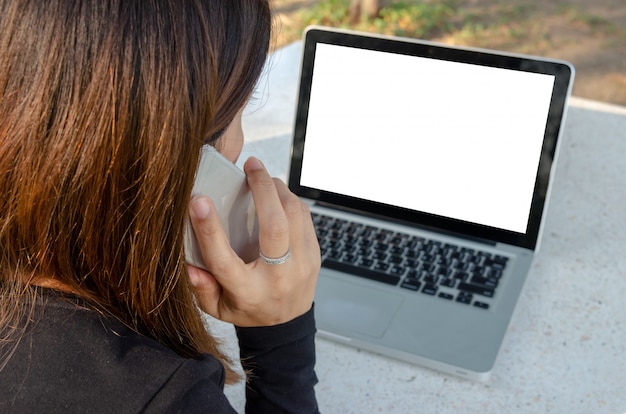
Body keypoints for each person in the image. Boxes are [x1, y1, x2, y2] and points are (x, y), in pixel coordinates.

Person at [0, 1, 321, 413]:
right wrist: (283, 334)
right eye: (242, 109)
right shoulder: (163, 397)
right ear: (176, 157)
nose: (240, 149)